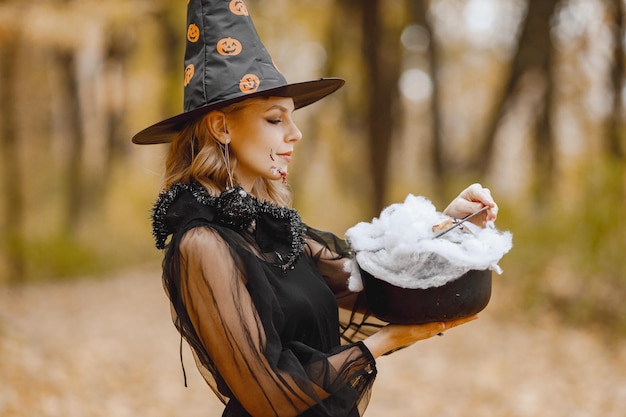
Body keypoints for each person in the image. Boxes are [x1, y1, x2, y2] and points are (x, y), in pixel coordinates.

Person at [133, 1, 498, 416]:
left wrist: (446, 224)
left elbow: (371, 282)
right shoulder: (202, 245)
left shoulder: (271, 228)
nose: (296, 133)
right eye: (275, 120)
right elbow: (266, 395)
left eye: (292, 118)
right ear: (221, 127)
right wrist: (382, 344)